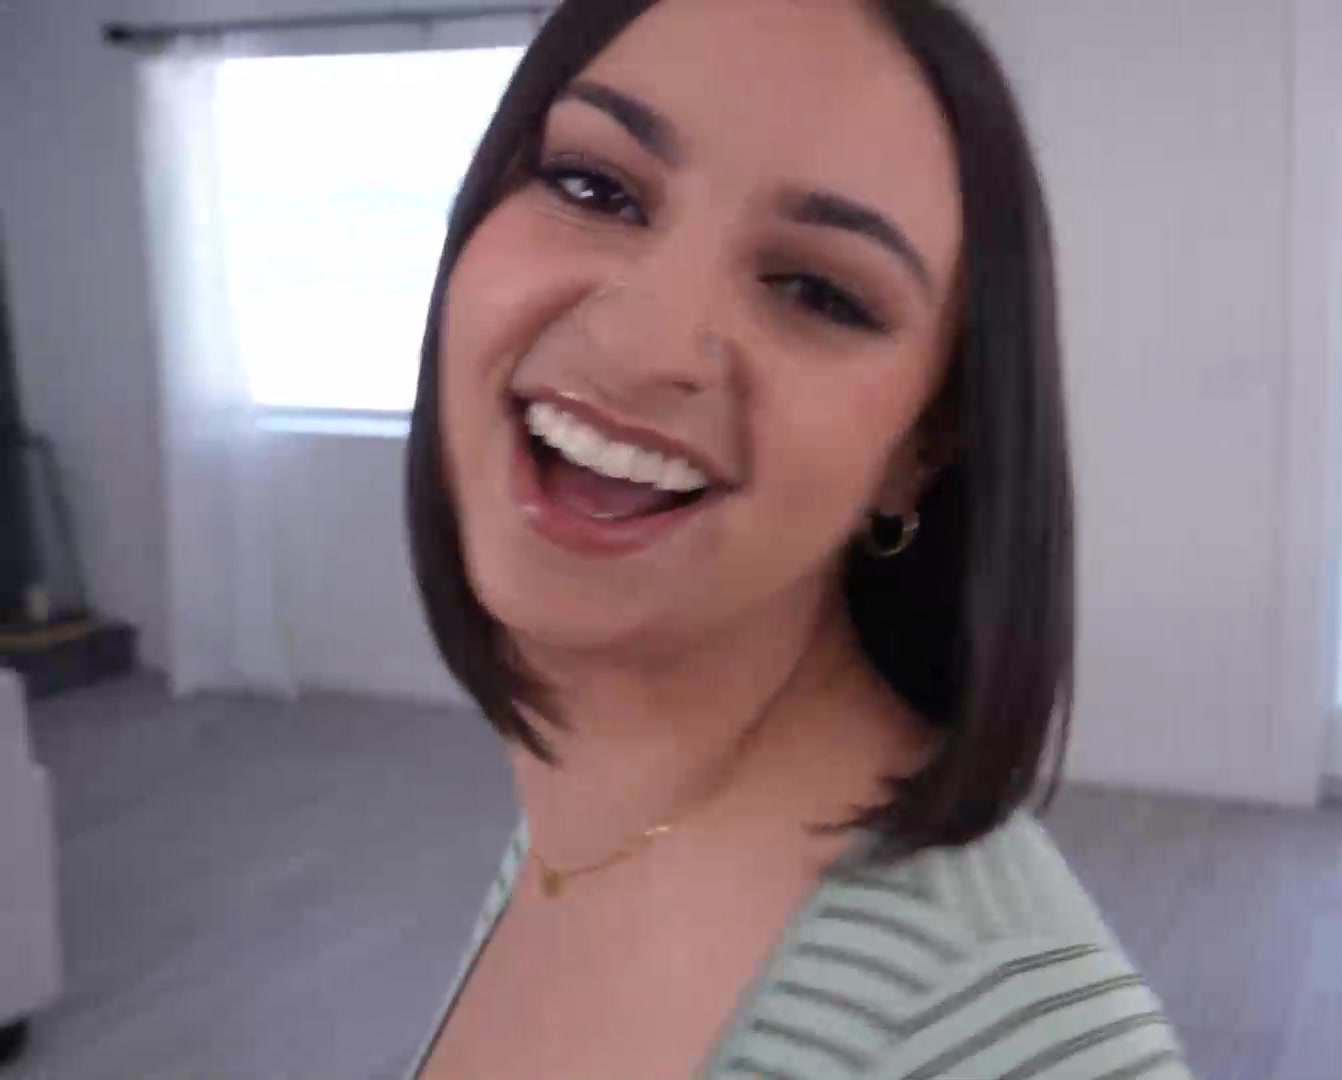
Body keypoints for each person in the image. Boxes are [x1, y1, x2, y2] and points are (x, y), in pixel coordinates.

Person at [402, 0, 1193, 1076]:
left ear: (925, 445)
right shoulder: (588, 804)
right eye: (594, 187)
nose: (643, 345)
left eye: (819, 292)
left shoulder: (1025, 1043)